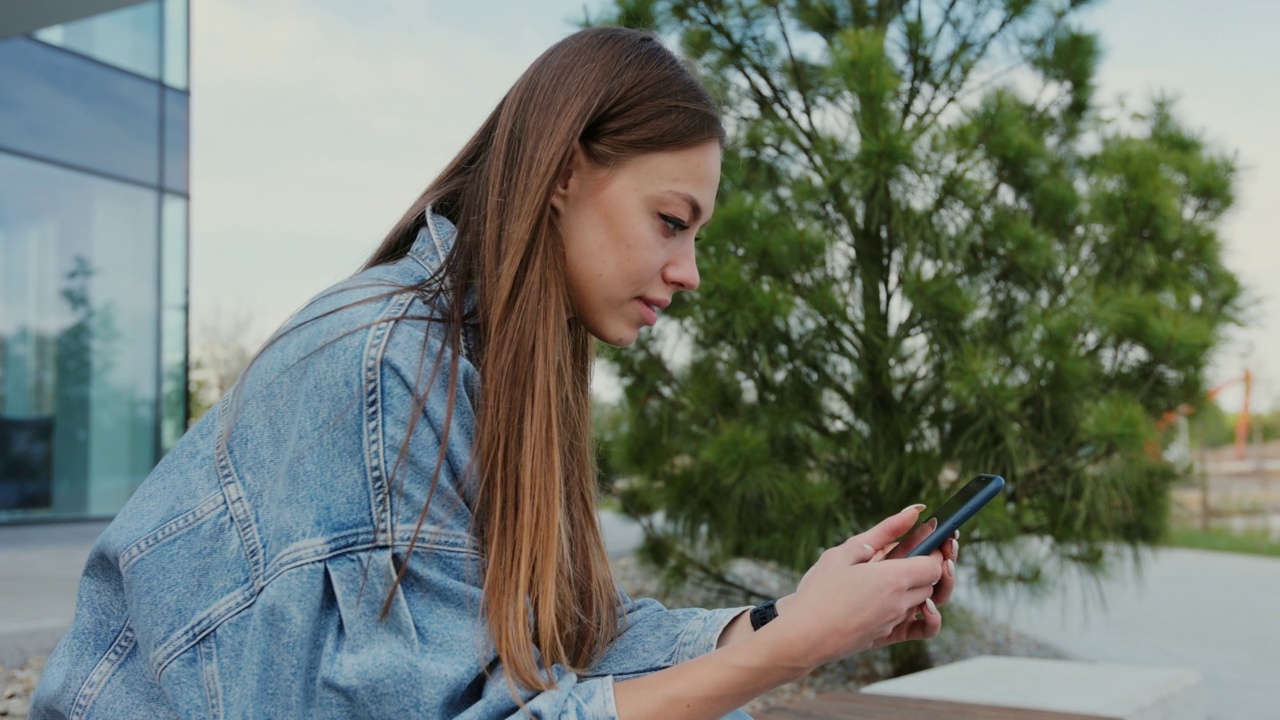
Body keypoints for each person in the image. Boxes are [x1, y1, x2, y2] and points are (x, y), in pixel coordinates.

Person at [31, 26, 956, 720]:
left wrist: (785, 617)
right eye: (671, 222)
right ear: (563, 173)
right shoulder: (385, 362)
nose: (690, 272)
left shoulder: (497, 365)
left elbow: (567, 642)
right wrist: (789, 652)